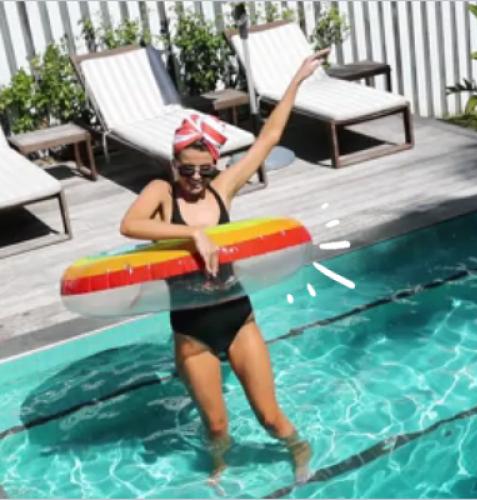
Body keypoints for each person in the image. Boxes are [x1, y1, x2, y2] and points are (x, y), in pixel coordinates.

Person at [120, 48, 330, 484]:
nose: (196, 179)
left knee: (269, 418)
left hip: (237, 318)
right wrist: (192, 234)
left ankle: (298, 445)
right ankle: (218, 465)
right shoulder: (162, 191)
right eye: (187, 169)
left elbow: (269, 137)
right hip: (191, 328)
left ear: (214, 164)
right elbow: (130, 225)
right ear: (173, 163)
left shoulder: (222, 190)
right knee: (216, 426)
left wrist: (297, 77)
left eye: (204, 169)